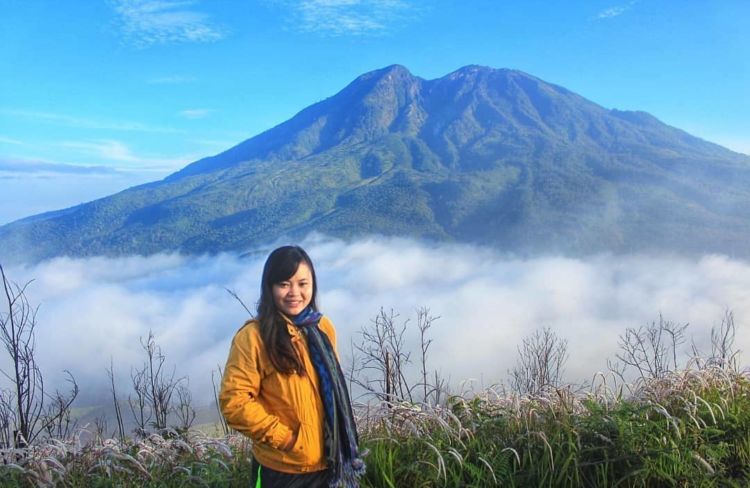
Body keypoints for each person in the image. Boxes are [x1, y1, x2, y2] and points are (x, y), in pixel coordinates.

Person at [220, 245, 365, 488]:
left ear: (313, 285)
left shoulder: (322, 328)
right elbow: (234, 403)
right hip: (283, 470)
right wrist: (287, 439)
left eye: (302, 283)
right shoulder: (254, 338)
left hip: (331, 462)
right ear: (270, 287)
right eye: (284, 284)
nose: (294, 292)